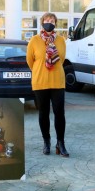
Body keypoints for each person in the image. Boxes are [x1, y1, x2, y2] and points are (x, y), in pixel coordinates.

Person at [26, 12, 69, 157]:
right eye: (46, 19)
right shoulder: (34, 40)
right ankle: (46, 142)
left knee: (59, 113)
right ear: (42, 22)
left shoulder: (61, 40)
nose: (49, 21)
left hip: (58, 81)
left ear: (55, 23)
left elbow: (61, 59)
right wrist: (40, 70)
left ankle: (60, 143)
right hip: (40, 81)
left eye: (51, 20)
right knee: (43, 113)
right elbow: (30, 61)